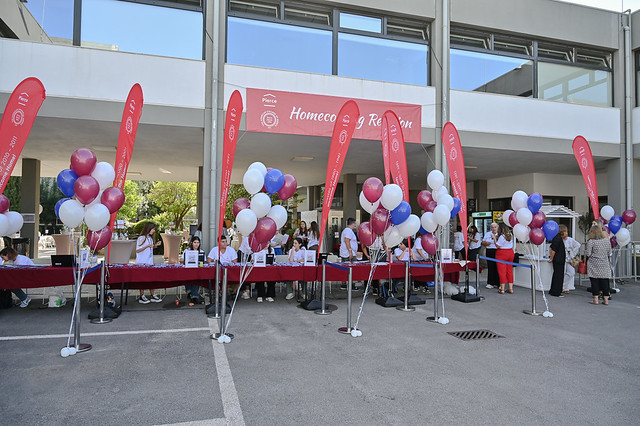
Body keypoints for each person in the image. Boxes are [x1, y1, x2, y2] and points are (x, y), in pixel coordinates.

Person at [135, 222, 163, 304]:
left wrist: (155, 245)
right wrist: (147, 246)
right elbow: (137, 250)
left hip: (149, 262)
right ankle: (142, 295)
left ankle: (152, 294)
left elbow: (150, 248)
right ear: (149, 229)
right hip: (142, 262)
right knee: (142, 280)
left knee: (151, 279)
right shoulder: (141, 238)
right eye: (153, 229)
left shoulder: (150, 238)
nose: (154, 231)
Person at [585, 222, 612, 305]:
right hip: (604, 263)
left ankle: (596, 299)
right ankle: (606, 299)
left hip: (594, 263)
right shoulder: (606, 241)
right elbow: (609, 252)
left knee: (594, 281)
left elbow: (588, 253)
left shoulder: (591, 241)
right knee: (605, 281)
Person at [181, 236, 206, 306]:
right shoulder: (187, 251)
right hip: (188, 270)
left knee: (196, 278)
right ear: (191, 243)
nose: (196, 244)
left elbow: (204, 262)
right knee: (188, 277)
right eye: (195, 242)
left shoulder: (202, 252)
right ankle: (190, 292)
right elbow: (181, 260)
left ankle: (194, 296)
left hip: (198, 271)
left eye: (198, 242)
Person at [494, 222, 514, 294]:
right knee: (509, 270)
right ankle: (510, 288)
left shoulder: (502, 236)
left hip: (502, 253)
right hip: (510, 252)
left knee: (502, 271)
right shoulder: (510, 234)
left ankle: (502, 289)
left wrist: (494, 239)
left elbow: (498, 246)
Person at [560, 224, 581, 294]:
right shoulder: (559, 240)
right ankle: (564, 287)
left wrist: (573, 253)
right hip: (562, 258)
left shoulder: (570, 240)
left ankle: (563, 286)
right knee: (562, 273)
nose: (566, 233)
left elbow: (578, 245)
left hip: (569, 259)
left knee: (571, 272)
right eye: (565, 231)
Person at [548, 224, 566, 297]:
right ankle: (556, 292)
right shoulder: (557, 239)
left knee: (556, 275)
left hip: (559, 259)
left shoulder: (557, 238)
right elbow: (553, 250)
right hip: (558, 260)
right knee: (558, 276)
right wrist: (551, 258)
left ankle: (553, 290)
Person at [481, 223, 499, 289]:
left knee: (497, 267)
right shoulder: (487, 234)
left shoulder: (500, 234)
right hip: (489, 250)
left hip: (497, 250)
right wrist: (486, 243)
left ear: (497, 228)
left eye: (495, 227)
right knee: (490, 266)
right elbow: (482, 242)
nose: (493, 229)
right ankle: (491, 282)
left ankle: (498, 283)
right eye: (492, 227)